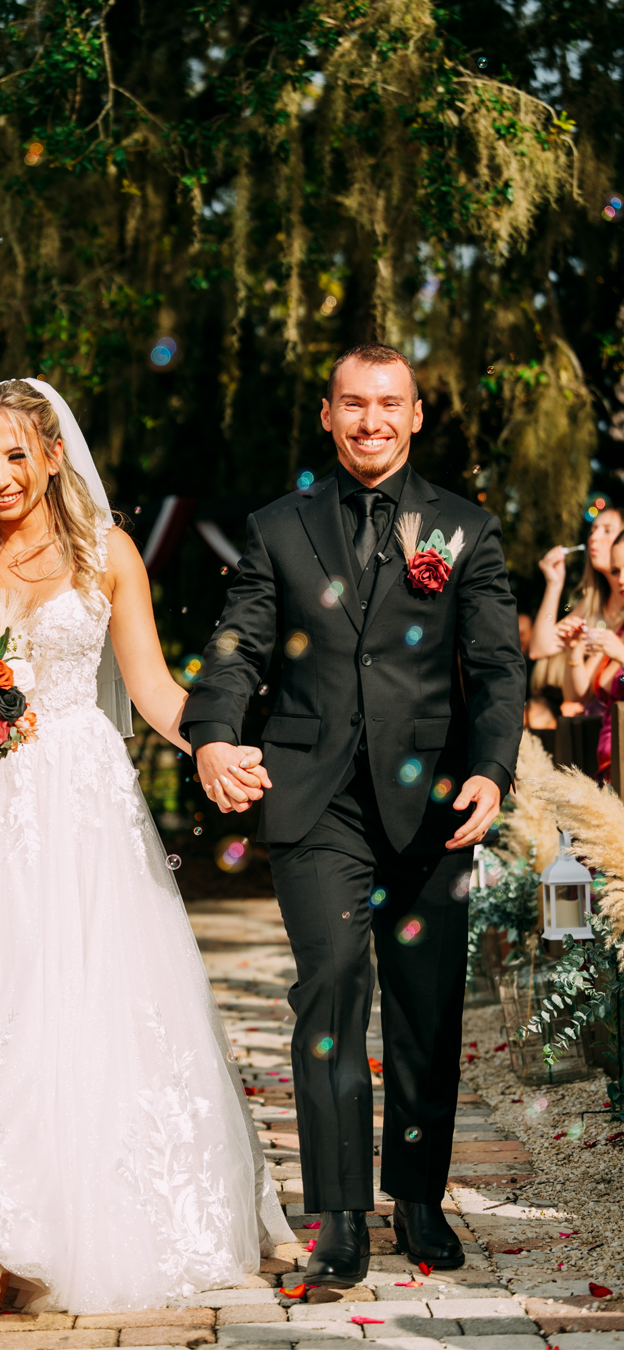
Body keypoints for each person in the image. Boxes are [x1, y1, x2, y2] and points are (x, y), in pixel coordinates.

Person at [0, 378, 292, 1314]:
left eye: (14, 455)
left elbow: (154, 687)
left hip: (81, 805)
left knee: (78, 1007)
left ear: (51, 455)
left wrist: (209, 743)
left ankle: (62, 1216)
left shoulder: (107, 552)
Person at [182, 344, 526, 1282]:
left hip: (434, 806)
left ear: (416, 416)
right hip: (313, 796)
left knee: (426, 1009)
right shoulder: (277, 528)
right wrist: (213, 731)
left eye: (389, 404)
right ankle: (338, 1213)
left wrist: (494, 769)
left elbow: (498, 668)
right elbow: (237, 644)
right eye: (353, 404)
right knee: (330, 990)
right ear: (327, 416)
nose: (371, 420)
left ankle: (418, 1198)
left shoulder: (466, 529)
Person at [557, 528, 624, 783]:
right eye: (616, 570)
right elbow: (579, 694)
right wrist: (574, 650)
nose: (620, 580)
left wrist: (621, 654)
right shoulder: (620, 629)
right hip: (610, 773)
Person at [528, 506, 624, 662]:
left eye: (607, 530)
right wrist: (554, 584)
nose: (593, 537)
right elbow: (540, 648)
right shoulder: (593, 602)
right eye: (593, 530)